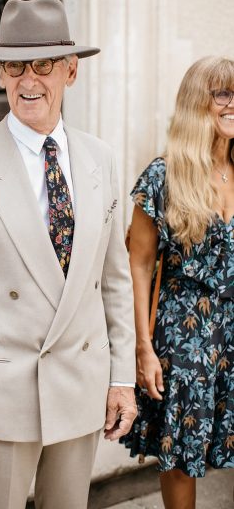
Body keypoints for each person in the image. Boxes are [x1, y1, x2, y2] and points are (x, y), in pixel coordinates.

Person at [0, 0, 137, 509]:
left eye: (42, 64)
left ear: (70, 71)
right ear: (0, 75)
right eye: (14, 65)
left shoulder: (102, 159)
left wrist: (121, 378)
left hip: (80, 382)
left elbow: (113, 279)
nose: (28, 79)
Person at [121, 56, 234, 509]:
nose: (232, 105)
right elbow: (138, 266)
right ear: (195, 103)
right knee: (181, 455)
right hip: (184, 337)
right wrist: (143, 347)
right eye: (222, 94)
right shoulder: (163, 176)